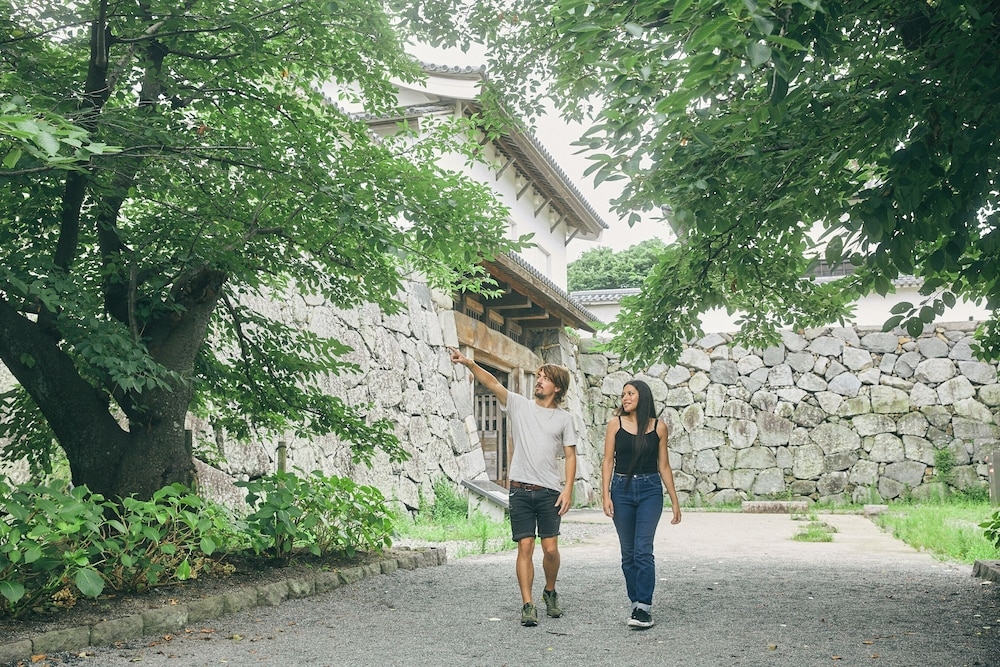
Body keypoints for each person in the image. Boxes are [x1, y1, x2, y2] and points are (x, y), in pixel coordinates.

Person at [449, 346, 577, 627]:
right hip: (519, 489)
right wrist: (468, 362)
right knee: (525, 547)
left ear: (557, 387)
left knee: (551, 549)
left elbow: (570, 455)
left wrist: (567, 489)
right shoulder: (519, 405)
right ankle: (527, 604)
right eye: (538, 376)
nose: (539, 381)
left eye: (544, 378)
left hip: (549, 493)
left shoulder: (564, 419)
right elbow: (492, 382)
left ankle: (550, 591)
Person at [602, 378, 682, 629]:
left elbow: (664, 465)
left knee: (642, 549)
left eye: (631, 393)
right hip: (621, 490)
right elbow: (607, 462)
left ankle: (644, 608)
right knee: (628, 553)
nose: (625, 398)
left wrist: (675, 502)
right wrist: (605, 494)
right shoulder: (614, 424)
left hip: (650, 490)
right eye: (623, 394)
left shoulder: (659, 427)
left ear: (642, 397)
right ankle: (635, 602)